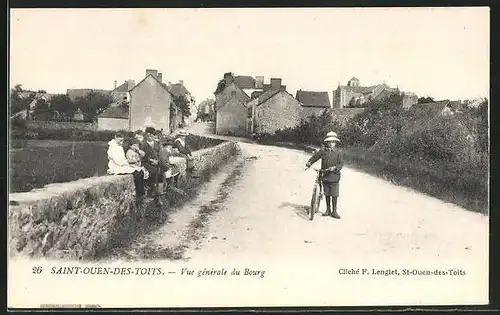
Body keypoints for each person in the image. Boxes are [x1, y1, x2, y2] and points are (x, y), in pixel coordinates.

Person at [305, 131, 344, 219]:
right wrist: (309, 162)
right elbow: (315, 157)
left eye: (333, 142)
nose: (331, 144)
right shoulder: (323, 151)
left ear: (336, 143)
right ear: (327, 142)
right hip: (325, 175)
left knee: (334, 194)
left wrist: (335, 168)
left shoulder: (338, 152)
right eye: (329, 142)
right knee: (327, 193)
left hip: (335, 176)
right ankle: (328, 210)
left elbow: (341, 163)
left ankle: (334, 211)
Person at [107, 131, 145, 199]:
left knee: (140, 172)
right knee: (137, 173)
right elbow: (117, 161)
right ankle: (139, 194)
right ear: (116, 137)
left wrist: (127, 164)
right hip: (116, 166)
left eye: (122, 140)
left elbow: (123, 158)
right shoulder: (112, 147)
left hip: (123, 164)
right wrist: (126, 164)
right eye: (120, 140)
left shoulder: (120, 147)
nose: (121, 142)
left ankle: (141, 193)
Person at [141, 127, 164, 203]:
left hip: (156, 162)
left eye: (151, 136)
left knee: (161, 173)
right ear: (145, 136)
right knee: (154, 172)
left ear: (154, 136)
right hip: (147, 163)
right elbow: (142, 156)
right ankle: (154, 194)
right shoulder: (143, 145)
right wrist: (150, 160)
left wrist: (158, 161)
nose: (149, 137)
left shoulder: (157, 144)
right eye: (148, 136)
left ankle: (159, 193)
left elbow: (160, 154)